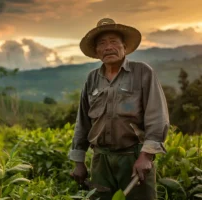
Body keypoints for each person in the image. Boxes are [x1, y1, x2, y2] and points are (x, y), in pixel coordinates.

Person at [69, 18, 169, 200]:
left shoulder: (142, 73)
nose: (108, 47)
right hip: (101, 161)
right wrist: (79, 161)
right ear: (97, 51)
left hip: (133, 157)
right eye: (102, 43)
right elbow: (82, 122)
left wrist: (146, 156)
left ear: (124, 46)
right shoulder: (92, 79)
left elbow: (157, 116)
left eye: (113, 42)